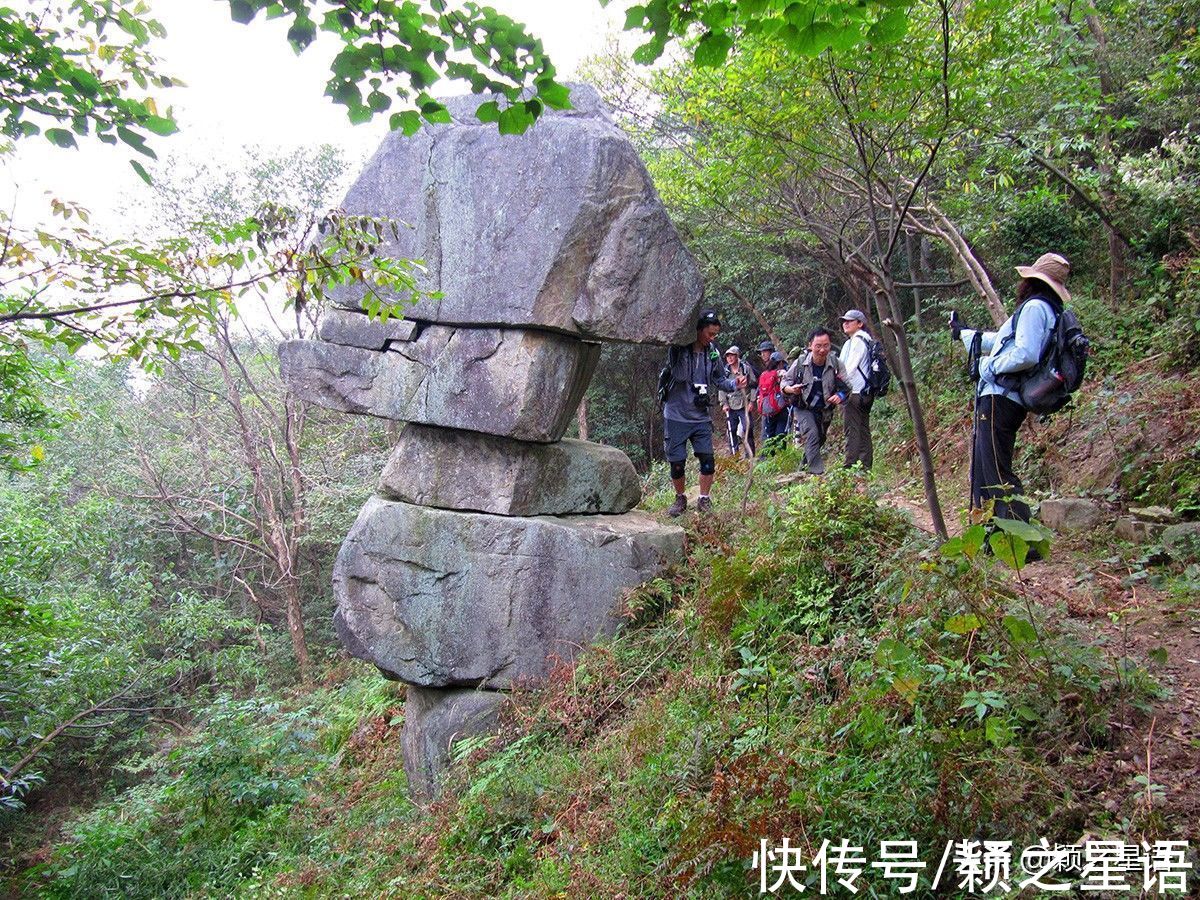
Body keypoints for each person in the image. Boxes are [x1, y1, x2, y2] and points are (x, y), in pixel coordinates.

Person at [953, 252, 1070, 524]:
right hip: (1007, 398)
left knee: (995, 470)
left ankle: (1019, 538)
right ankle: (992, 531)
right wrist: (965, 334)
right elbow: (1003, 341)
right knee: (986, 467)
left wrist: (988, 368)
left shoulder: (1033, 308)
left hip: (1001, 397)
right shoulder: (1047, 309)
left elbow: (1025, 353)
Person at [661, 310, 744, 516]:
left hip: (700, 415)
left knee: (707, 460)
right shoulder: (678, 350)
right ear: (698, 330)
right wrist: (685, 346)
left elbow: (719, 380)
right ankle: (680, 499)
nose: (713, 339)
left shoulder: (713, 352)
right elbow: (679, 375)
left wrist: (735, 384)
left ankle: (704, 499)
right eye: (710, 334)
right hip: (676, 415)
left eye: (715, 335)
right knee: (677, 462)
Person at [781, 327, 849, 475]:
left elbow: (848, 385)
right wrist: (791, 389)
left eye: (826, 345)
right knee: (812, 433)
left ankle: (802, 469)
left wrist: (840, 396)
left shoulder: (836, 364)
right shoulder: (800, 363)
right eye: (818, 346)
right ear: (810, 345)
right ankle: (816, 473)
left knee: (820, 438)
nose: (822, 350)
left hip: (825, 409)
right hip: (803, 407)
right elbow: (784, 382)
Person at [838, 309, 876, 471]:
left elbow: (849, 368)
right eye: (844, 321)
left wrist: (838, 386)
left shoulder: (858, 341)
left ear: (860, 324)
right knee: (862, 428)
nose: (845, 323)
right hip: (865, 392)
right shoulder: (862, 341)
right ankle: (865, 465)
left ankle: (851, 466)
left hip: (855, 392)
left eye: (850, 321)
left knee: (852, 429)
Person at [719, 346, 757, 459]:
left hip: (744, 403)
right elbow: (721, 388)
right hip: (731, 405)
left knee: (747, 428)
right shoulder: (725, 372)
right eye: (728, 356)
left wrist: (752, 401)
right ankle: (734, 455)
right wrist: (724, 403)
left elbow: (754, 385)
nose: (730, 358)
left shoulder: (745, 369)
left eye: (732, 355)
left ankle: (750, 455)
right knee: (732, 430)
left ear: (737, 356)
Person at [757, 351, 790, 444]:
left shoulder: (763, 374)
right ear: (780, 363)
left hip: (767, 408)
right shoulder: (780, 372)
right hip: (781, 407)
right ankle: (781, 456)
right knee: (781, 435)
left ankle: (769, 457)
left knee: (769, 435)